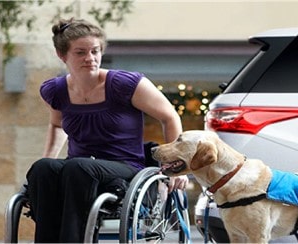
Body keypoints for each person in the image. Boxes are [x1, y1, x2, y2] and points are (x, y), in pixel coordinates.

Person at [25, 17, 188, 243]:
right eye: (80, 53)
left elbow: (169, 117)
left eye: (95, 51)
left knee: (79, 166)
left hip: (125, 168)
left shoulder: (125, 84)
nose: (90, 58)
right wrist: (49, 162)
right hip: (79, 170)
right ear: (62, 55)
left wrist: (175, 167)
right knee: (43, 168)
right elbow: (56, 124)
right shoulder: (56, 90)